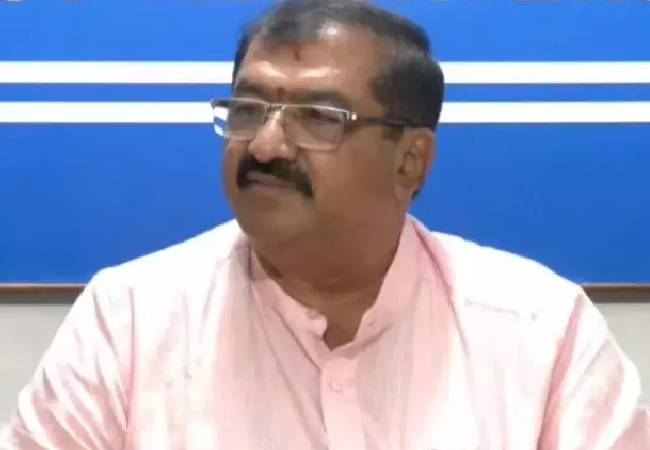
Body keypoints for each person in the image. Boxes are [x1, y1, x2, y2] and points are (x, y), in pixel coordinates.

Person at [2, 0, 649, 449]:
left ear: (411, 160)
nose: (265, 146)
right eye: (248, 109)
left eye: (318, 118)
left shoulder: (541, 330)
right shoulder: (129, 319)